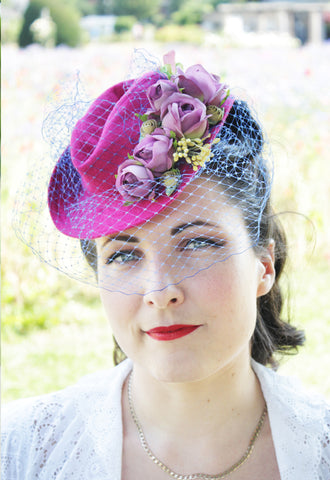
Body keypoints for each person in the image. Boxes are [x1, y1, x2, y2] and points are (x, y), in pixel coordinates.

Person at [2, 51, 329, 479]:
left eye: (196, 242)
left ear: (263, 266)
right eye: (122, 254)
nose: (160, 291)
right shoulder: (20, 451)